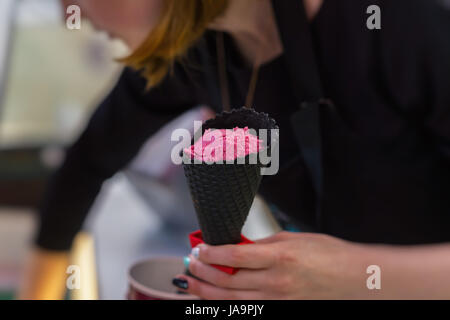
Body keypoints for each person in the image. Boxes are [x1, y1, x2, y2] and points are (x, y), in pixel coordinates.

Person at [20, 0, 450, 299]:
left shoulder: (395, 22)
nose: (69, 14)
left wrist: (355, 280)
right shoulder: (195, 49)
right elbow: (86, 163)